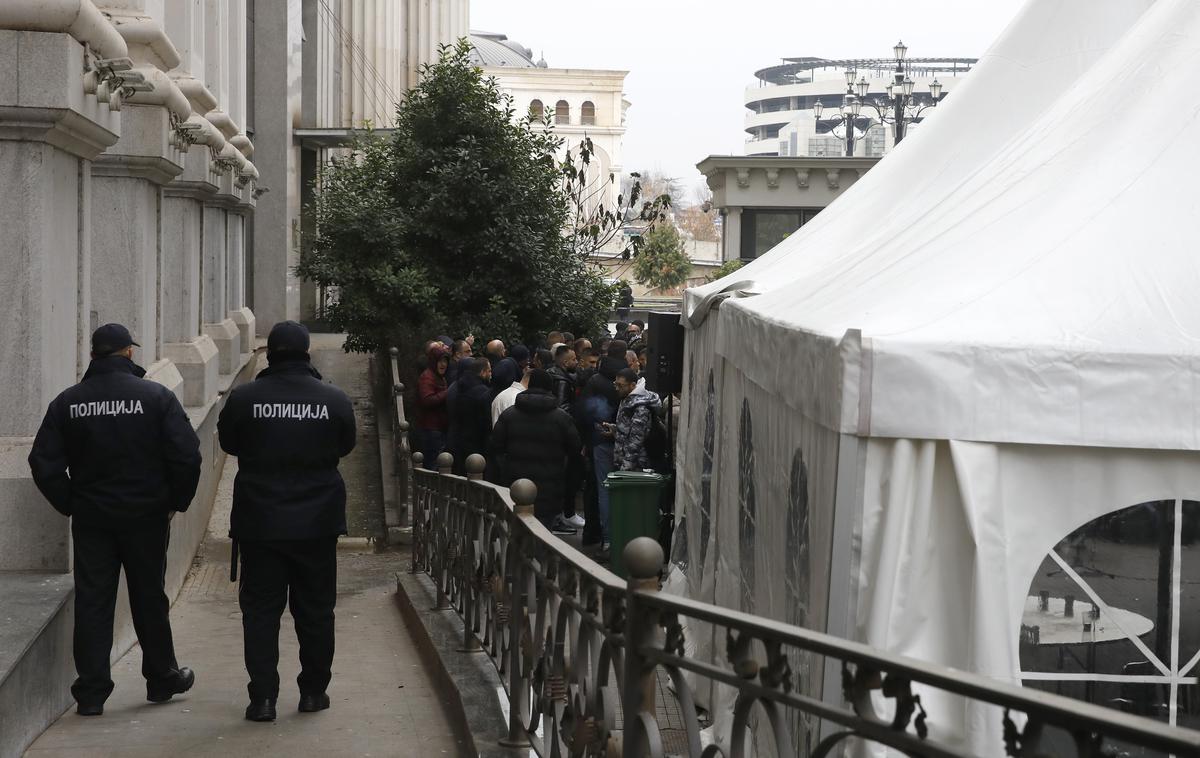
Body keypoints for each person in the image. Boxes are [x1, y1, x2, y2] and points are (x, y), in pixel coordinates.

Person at [28, 323, 202, 717]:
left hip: (94, 519)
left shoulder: (68, 403)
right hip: (146, 516)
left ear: (93, 356)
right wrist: (176, 501)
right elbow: (186, 455)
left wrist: (71, 502)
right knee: (149, 598)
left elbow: (43, 462)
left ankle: (91, 693)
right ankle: (161, 677)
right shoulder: (156, 397)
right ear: (128, 353)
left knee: (94, 601)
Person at [217, 321, 356, 722]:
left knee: (260, 612)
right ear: (307, 352)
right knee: (315, 611)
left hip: (260, 522)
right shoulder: (333, 399)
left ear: (270, 352)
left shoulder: (245, 399)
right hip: (317, 523)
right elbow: (345, 445)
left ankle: (262, 699)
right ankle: (313, 692)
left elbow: (229, 443)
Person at [489, 370, 581, 534]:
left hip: (516, 485)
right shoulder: (561, 418)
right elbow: (575, 448)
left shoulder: (509, 415)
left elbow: (496, 447)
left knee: (517, 532)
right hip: (550, 486)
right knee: (543, 534)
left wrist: (506, 471)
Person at [582, 340, 628, 552]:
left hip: (600, 440)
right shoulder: (630, 380)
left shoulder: (595, 380)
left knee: (603, 488)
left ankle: (606, 536)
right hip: (627, 441)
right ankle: (623, 534)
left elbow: (586, 411)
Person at [612, 368, 662, 472]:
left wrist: (625, 468)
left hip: (637, 464)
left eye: (620, 385)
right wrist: (615, 429)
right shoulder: (628, 399)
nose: (617, 388)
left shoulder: (641, 408)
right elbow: (628, 429)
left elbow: (636, 440)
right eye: (615, 384)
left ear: (633, 385)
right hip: (628, 460)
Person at [448, 357, 493, 470]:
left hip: (459, 439)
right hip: (476, 442)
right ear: (482, 372)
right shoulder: (483, 392)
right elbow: (485, 421)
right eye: (489, 371)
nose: (491, 374)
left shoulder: (458, 386)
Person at [415, 343, 450, 469]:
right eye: (440, 361)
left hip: (438, 427)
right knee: (432, 464)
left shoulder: (440, 377)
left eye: (445, 361)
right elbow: (427, 400)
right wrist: (447, 393)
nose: (443, 364)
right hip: (430, 428)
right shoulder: (427, 377)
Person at [548, 345, 577, 411]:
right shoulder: (562, 382)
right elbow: (562, 407)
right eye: (574, 359)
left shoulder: (550, 373)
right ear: (566, 363)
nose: (576, 362)